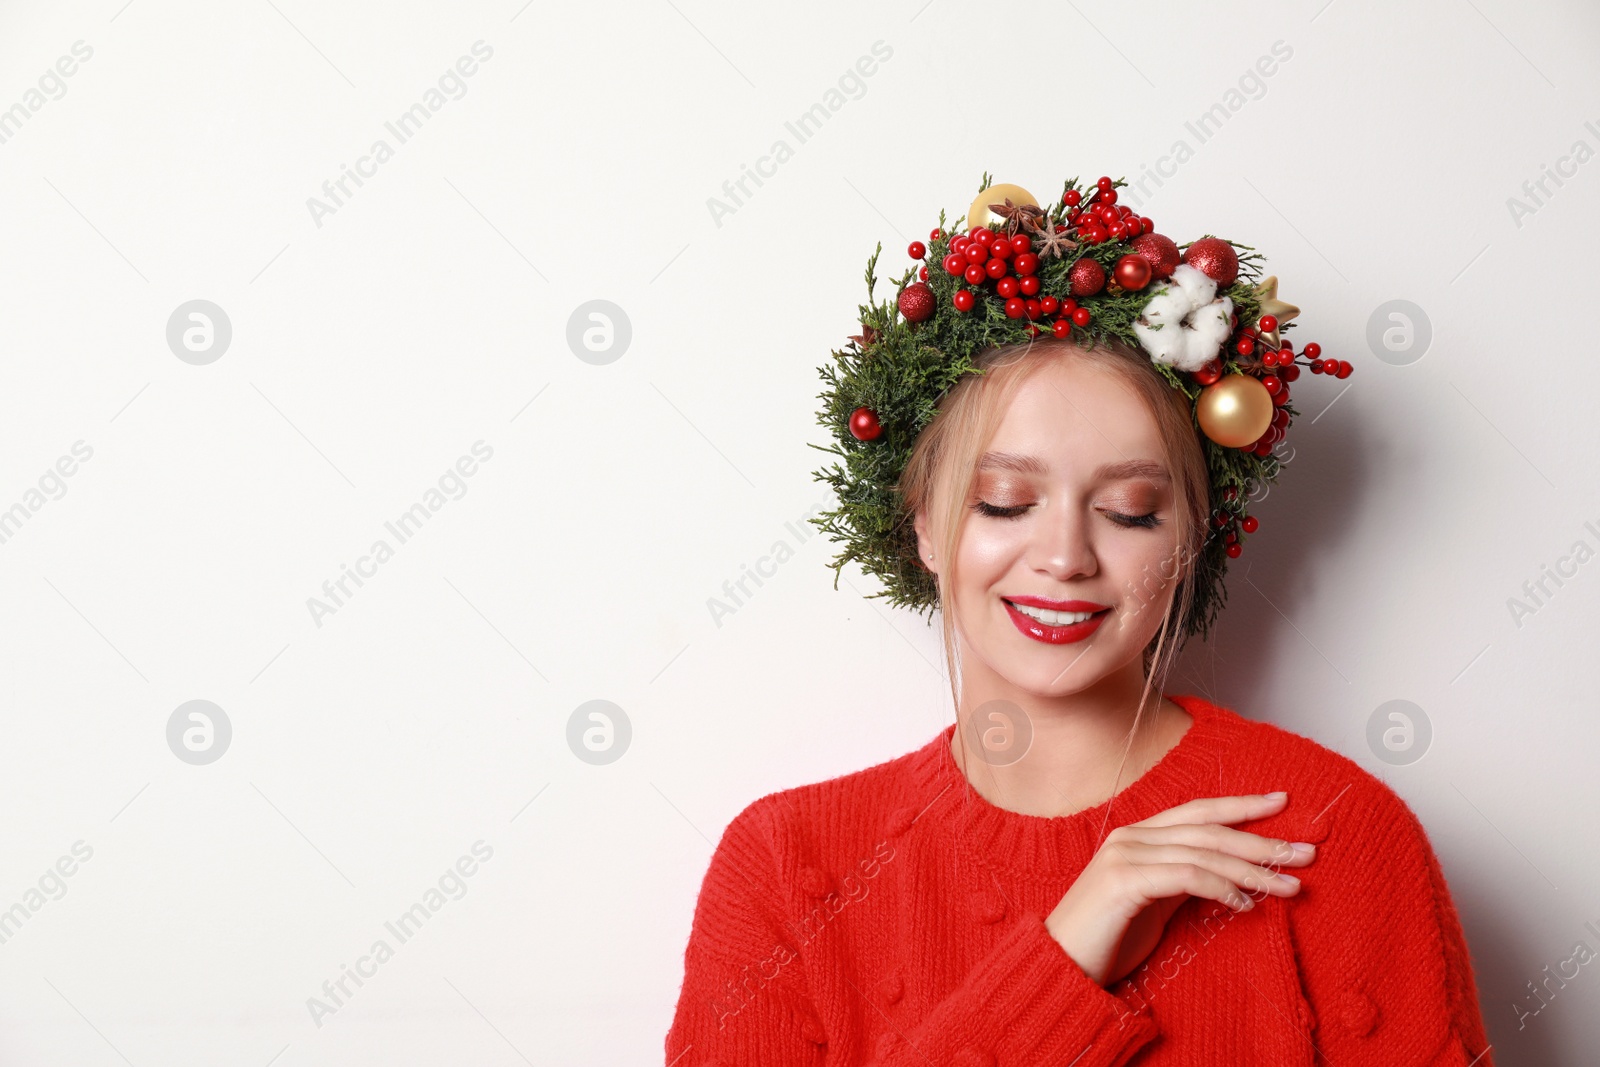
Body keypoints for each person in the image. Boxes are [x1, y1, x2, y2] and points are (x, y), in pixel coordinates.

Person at [664, 177, 1493, 1065]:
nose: (1065, 556)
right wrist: (1062, 962)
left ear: (1192, 541)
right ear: (923, 528)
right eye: (1003, 501)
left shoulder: (1332, 835)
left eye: (1132, 511)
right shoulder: (790, 869)